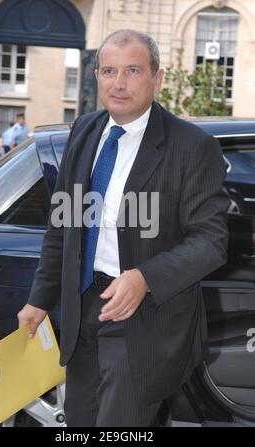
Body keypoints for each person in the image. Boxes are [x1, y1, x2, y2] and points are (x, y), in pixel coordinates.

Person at [17, 29, 230, 427]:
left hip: (145, 317)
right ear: (96, 76)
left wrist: (145, 278)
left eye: (133, 70)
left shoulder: (191, 147)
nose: (118, 83)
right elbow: (62, 226)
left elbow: (211, 242)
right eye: (109, 71)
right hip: (82, 310)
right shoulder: (84, 130)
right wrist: (39, 299)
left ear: (158, 78)